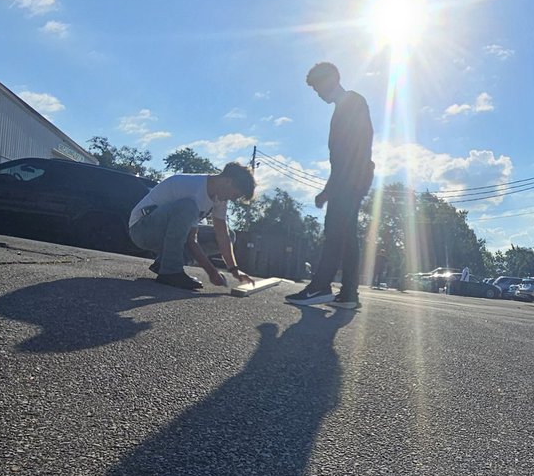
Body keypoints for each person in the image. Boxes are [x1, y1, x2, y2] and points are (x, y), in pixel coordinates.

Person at [285, 62, 374, 310]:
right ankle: (348, 294)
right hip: (352, 178)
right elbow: (342, 157)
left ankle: (321, 286)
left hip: (351, 178)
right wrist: (330, 188)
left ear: (333, 79)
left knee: (334, 232)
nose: (318, 93)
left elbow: (351, 153)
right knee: (346, 235)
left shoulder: (351, 103)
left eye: (318, 87)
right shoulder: (345, 106)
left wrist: (334, 188)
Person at [128, 162, 257, 290]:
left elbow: (222, 236)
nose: (233, 199)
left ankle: (163, 263)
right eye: (235, 194)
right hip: (142, 230)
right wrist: (212, 272)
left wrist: (234, 270)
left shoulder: (219, 199)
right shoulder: (191, 187)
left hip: (166, 232)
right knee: (188, 207)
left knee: (229, 236)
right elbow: (191, 240)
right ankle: (170, 271)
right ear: (228, 181)